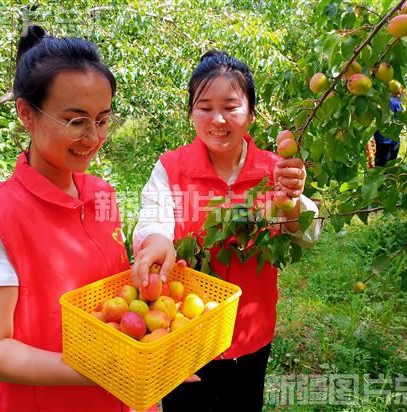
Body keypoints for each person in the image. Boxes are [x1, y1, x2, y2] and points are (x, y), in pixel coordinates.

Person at [131, 50, 322, 411]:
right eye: (205, 107)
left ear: (251, 113)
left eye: (231, 107)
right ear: (191, 113)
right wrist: (155, 240)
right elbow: (153, 218)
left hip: (250, 335)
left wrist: (292, 203)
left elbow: (308, 234)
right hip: (184, 336)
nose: (218, 119)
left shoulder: (274, 170)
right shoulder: (171, 168)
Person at [0, 25, 136, 411]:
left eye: (102, 120)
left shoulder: (101, 195)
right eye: (76, 121)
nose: (93, 137)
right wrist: (105, 368)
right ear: (26, 113)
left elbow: (111, 294)